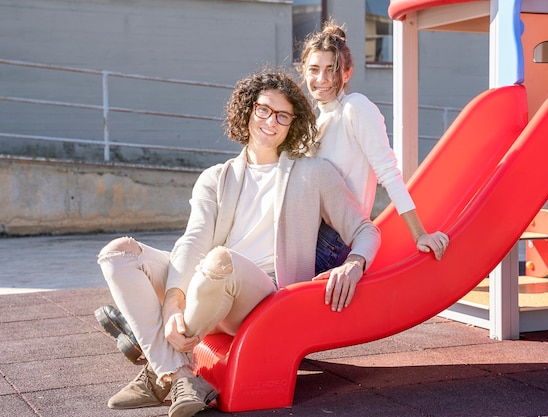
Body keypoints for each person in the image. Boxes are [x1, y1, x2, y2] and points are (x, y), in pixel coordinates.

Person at [96, 68, 381, 417]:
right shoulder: (216, 177)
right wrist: (173, 303)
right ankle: (178, 373)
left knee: (219, 260)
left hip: (261, 297)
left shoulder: (315, 173)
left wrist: (355, 263)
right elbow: (193, 240)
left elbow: (366, 229)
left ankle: (158, 368)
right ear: (248, 111)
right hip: (206, 286)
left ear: (293, 124)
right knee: (118, 254)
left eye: (283, 116)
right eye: (263, 109)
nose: (271, 122)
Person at [298, 20, 449, 272]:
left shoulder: (355, 108)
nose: (321, 79)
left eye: (331, 70)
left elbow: (389, 173)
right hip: (305, 235)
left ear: (347, 74)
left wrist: (420, 235)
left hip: (332, 239)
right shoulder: (316, 118)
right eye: (314, 69)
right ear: (304, 70)